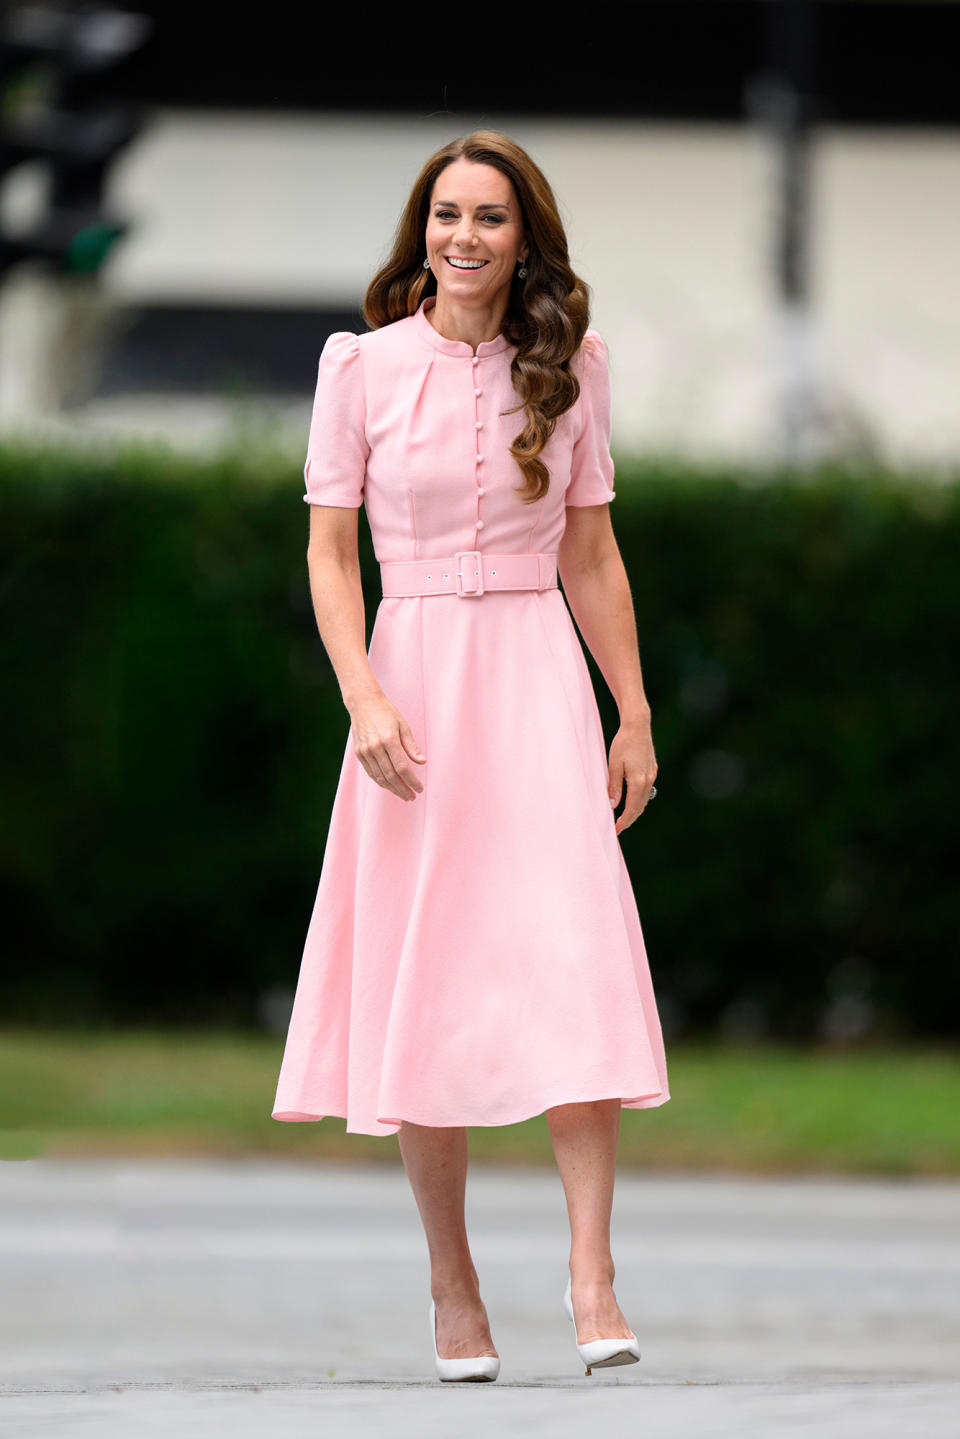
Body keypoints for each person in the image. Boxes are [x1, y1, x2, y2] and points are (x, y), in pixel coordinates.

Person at [272, 130, 670, 1382]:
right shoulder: (361, 368)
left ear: (523, 236)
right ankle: (453, 1285)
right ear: (421, 228)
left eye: (490, 217)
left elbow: (591, 553)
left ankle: (592, 1271)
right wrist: (364, 697)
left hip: (537, 680)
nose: (464, 236)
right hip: (415, 686)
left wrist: (636, 711)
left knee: (575, 958)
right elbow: (332, 556)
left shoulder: (572, 368)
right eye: (446, 213)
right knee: (423, 970)